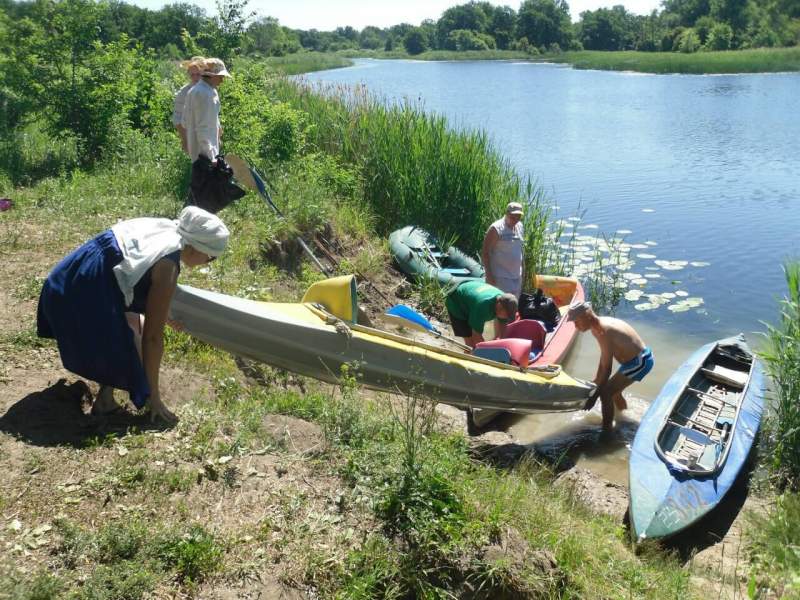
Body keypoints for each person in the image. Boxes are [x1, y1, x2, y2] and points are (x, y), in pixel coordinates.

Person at [36, 207, 230, 423]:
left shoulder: (164, 228)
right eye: (210, 258)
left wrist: (163, 315)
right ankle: (125, 402)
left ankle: (106, 398)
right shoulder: (168, 267)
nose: (208, 263)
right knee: (135, 340)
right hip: (76, 299)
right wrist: (154, 398)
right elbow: (153, 338)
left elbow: (129, 273)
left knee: (135, 323)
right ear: (196, 247)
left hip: (64, 280)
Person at [566, 301, 654, 432]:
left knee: (606, 392)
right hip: (636, 360)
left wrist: (594, 396)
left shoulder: (604, 331)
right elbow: (603, 360)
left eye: (576, 321)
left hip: (639, 362)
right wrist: (596, 381)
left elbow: (607, 368)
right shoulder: (597, 328)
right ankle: (623, 416)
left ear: (587, 316)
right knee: (613, 392)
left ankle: (607, 431)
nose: (575, 326)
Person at [482, 201, 524, 337]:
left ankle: (504, 337)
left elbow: (520, 250)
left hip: (516, 276)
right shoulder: (496, 228)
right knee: (501, 311)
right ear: (506, 213)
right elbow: (485, 252)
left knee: (512, 309)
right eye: (513, 216)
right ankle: (499, 339)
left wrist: (523, 270)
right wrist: (489, 275)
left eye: (518, 216)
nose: (515, 219)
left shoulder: (519, 227)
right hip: (500, 276)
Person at [182, 57, 230, 165]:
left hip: (202, 153)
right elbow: (202, 127)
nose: (222, 80)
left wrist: (217, 129)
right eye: (220, 76)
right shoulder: (204, 94)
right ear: (210, 76)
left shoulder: (204, 90)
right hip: (205, 156)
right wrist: (211, 155)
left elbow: (185, 121)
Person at [445, 280, 518, 349]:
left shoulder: (504, 301)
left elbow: (503, 326)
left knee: (478, 347)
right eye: (506, 315)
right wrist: (489, 352)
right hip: (456, 302)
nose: (506, 317)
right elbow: (476, 335)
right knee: (471, 345)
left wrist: (502, 343)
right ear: (499, 306)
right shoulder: (483, 306)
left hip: (471, 298)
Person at [172, 56, 205, 155]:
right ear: (188, 75)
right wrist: (185, 140)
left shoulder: (209, 90)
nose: (195, 77)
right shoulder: (183, 93)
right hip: (192, 136)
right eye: (192, 75)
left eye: (198, 74)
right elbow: (177, 119)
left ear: (203, 73)